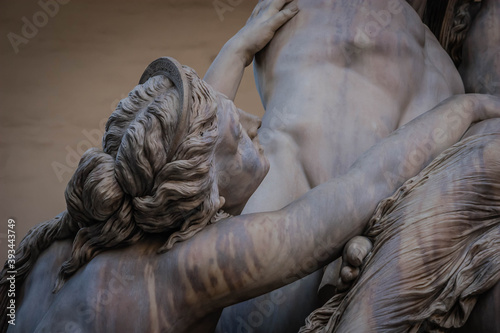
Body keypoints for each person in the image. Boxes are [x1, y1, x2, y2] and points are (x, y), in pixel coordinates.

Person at [2, 1, 500, 332]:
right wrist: (470, 109)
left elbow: (198, 132)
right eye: (240, 134)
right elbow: (366, 184)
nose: (254, 123)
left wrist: (238, 48)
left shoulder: (59, 247)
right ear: (211, 197)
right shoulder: (190, 267)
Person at [216, 0, 468, 331]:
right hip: (294, 192)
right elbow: (198, 123)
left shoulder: (434, 56)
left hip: (368, 224)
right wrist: (234, 50)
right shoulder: (287, 7)